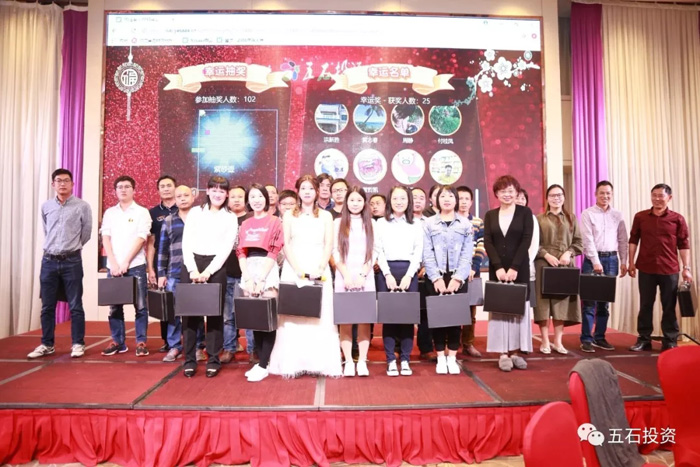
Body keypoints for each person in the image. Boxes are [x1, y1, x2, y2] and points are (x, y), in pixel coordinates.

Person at [268, 175, 342, 377]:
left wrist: (321, 267)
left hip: (319, 268)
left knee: (321, 315)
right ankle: (293, 363)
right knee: (294, 316)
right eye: (303, 188)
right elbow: (286, 244)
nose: (307, 192)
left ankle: (318, 363)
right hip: (294, 268)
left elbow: (328, 244)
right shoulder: (289, 215)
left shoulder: (326, 216)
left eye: (311, 188)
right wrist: (298, 269)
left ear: (317, 191)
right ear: (298, 192)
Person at [29, 169, 92, 359]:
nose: (62, 184)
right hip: (48, 261)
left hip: (72, 261)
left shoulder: (82, 206)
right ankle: (47, 344)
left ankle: (78, 343)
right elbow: (47, 230)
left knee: (75, 305)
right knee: (47, 306)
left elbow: (86, 233)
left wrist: (71, 247)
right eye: (58, 181)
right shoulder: (46, 206)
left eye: (66, 180)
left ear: (72, 184)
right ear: (53, 184)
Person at [181, 176, 238, 378]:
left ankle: (213, 359)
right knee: (189, 315)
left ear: (227, 194)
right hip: (192, 264)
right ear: (207, 191)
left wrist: (208, 272)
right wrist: (192, 270)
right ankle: (189, 360)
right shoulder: (195, 212)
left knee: (215, 315)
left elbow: (226, 248)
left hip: (216, 267)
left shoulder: (230, 217)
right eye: (214, 190)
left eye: (222, 191)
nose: (217, 194)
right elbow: (186, 242)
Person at [629, 184, 692, 352]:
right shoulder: (641, 217)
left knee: (669, 306)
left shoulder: (677, 219)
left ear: (669, 198)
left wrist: (686, 268)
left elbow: (684, 244)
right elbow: (633, 240)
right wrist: (631, 262)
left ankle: (670, 340)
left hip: (669, 269)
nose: (657, 199)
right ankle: (644, 339)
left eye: (661, 196)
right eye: (654, 195)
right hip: (646, 268)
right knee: (645, 305)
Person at [483, 175, 534, 371]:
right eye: (503, 191)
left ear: (517, 193)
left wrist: (514, 267)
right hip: (498, 270)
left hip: (519, 269)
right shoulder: (490, 215)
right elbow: (488, 242)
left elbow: (526, 240)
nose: (507, 194)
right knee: (500, 309)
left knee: (517, 309)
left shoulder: (525, 212)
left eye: (511, 191)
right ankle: (503, 353)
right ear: (496, 194)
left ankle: (515, 352)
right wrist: (498, 267)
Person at [423, 185, 473, 375]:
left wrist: (458, 278)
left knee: (454, 319)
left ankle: (452, 357)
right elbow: (427, 253)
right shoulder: (428, 223)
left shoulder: (465, 224)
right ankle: (440, 357)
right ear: (437, 200)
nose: (446, 199)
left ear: (456, 200)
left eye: (450, 196)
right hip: (435, 277)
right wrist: (435, 278)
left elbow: (467, 254)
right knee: (438, 319)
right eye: (442, 196)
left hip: (457, 277)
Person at [100, 176, 152, 356]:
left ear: (134, 190)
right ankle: (118, 342)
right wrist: (113, 263)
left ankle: (141, 342)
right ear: (115, 191)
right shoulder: (110, 213)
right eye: (120, 187)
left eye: (127, 186)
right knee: (114, 306)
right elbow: (105, 238)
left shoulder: (142, 212)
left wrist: (126, 262)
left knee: (141, 306)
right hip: (113, 267)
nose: (123, 189)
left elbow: (141, 238)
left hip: (135, 265)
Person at [237, 184, 284, 382]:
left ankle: (264, 364)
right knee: (255, 319)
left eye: (260, 196)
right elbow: (240, 251)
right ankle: (261, 362)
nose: (257, 200)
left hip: (267, 268)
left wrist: (262, 278)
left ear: (266, 199)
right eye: (253, 197)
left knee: (268, 319)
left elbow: (274, 250)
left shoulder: (275, 221)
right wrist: (248, 277)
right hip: (248, 269)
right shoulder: (245, 223)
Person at [375, 186, 423, 376]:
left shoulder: (416, 224)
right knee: (389, 319)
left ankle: (405, 359)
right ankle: (390, 360)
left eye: (403, 198)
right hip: (386, 272)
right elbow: (378, 250)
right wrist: (387, 274)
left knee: (407, 319)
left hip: (408, 272)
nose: (399, 202)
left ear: (408, 200)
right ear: (389, 200)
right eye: (395, 198)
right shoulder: (381, 223)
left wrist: (409, 275)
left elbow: (418, 252)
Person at [579, 181, 629, 353]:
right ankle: (586, 339)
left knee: (604, 303)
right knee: (589, 303)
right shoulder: (588, 214)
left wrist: (624, 261)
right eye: (602, 193)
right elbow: (587, 239)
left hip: (612, 260)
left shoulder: (618, 215)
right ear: (595, 194)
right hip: (592, 260)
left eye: (608, 193)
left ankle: (600, 337)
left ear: (612, 195)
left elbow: (622, 239)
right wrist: (595, 261)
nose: (605, 196)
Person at [333, 186, 378, 377]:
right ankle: (349, 362)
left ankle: (362, 361)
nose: (355, 203)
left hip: (365, 278)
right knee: (345, 321)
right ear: (346, 202)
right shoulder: (337, 223)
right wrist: (346, 275)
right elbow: (335, 251)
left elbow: (374, 251)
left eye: (359, 200)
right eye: (352, 200)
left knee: (363, 321)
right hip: (343, 278)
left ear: (364, 202)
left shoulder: (372, 223)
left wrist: (362, 274)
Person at [534, 184, 583, 354]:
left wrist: (568, 253)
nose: (556, 198)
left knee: (561, 304)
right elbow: (534, 244)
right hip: (544, 264)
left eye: (559, 195)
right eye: (553, 195)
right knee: (543, 305)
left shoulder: (571, 218)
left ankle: (558, 341)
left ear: (564, 197)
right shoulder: (539, 219)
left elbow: (579, 242)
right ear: (547, 198)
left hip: (564, 266)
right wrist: (546, 255)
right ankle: (545, 341)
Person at [156, 185, 194, 362]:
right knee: (174, 312)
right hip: (174, 272)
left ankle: (197, 345)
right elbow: (162, 248)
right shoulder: (169, 220)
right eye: (179, 196)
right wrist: (161, 273)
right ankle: (174, 346)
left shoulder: (200, 218)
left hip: (196, 272)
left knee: (196, 310)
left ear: (193, 197)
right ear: (175, 199)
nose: (183, 198)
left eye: (186, 195)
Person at [220, 185, 253, 364]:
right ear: (227, 199)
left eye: (240, 196)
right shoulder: (223, 219)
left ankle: (253, 350)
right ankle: (229, 348)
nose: (237, 200)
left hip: (249, 274)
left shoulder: (251, 219)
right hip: (227, 273)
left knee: (250, 314)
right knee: (228, 316)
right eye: (233, 197)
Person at [146, 175, 178, 353]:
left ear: (175, 188)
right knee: (165, 303)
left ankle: (193, 341)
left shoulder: (184, 208)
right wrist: (151, 268)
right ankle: (167, 341)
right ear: (158, 190)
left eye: (169, 185)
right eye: (162, 186)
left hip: (181, 261)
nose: (166, 189)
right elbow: (151, 243)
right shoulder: (152, 213)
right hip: (162, 263)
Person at [456, 185, 486, 358]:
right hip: (454, 273)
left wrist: (474, 267)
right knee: (452, 308)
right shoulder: (449, 220)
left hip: (472, 272)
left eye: (467, 199)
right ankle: (451, 343)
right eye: (460, 198)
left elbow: (481, 246)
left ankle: (468, 343)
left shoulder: (478, 222)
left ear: (471, 201)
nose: (463, 202)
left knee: (470, 311)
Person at [515, 187, 539, 353]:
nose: (520, 200)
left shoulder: (531, 218)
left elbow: (533, 245)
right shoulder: (502, 216)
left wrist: (522, 264)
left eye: (523, 198)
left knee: (524, 308)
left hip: (525, 268)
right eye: (517, 197)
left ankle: (523, 344)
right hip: (506, 271)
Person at [412, 187, 435, 360]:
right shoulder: (401, 221)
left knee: (426, 311)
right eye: (414, 197)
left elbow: (435, 247)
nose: (418, 200)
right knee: (404, 310)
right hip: (407, 271)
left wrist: (427, 266)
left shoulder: (431, 222)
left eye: (421, 197)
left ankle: (426, 348)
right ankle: (399, 348)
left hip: (427, 271)